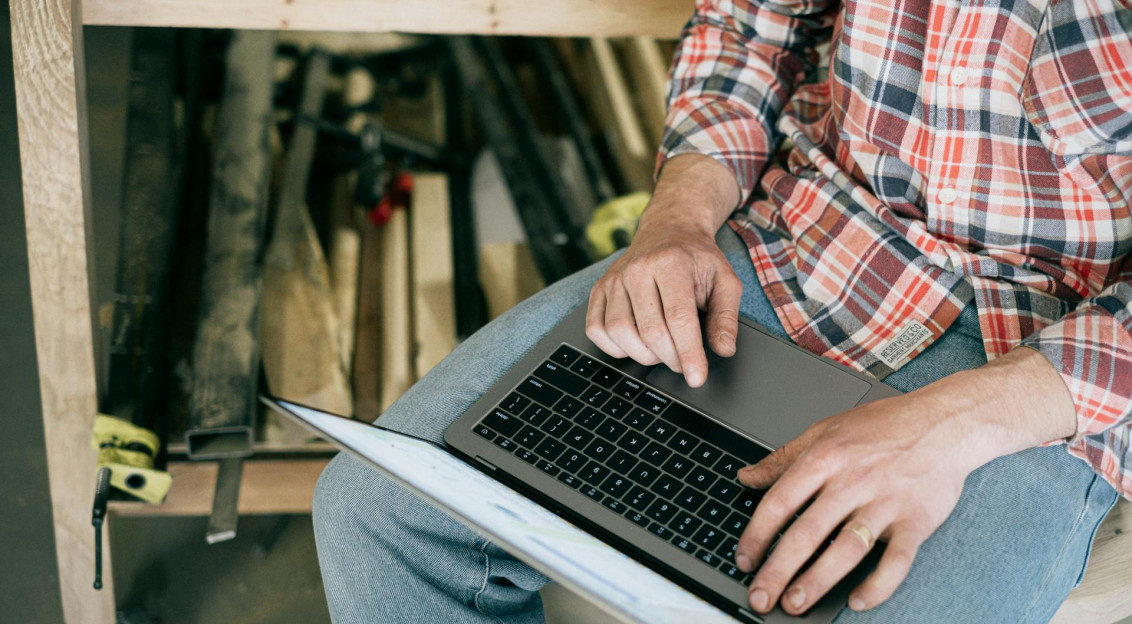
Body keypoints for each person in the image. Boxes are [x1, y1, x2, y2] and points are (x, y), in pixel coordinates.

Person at [312, 0, 1132, 621]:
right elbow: (752, 25)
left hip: (1053, 355)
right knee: (381, 513)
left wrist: (954, 424)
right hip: (804, 240)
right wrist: (677, 218)